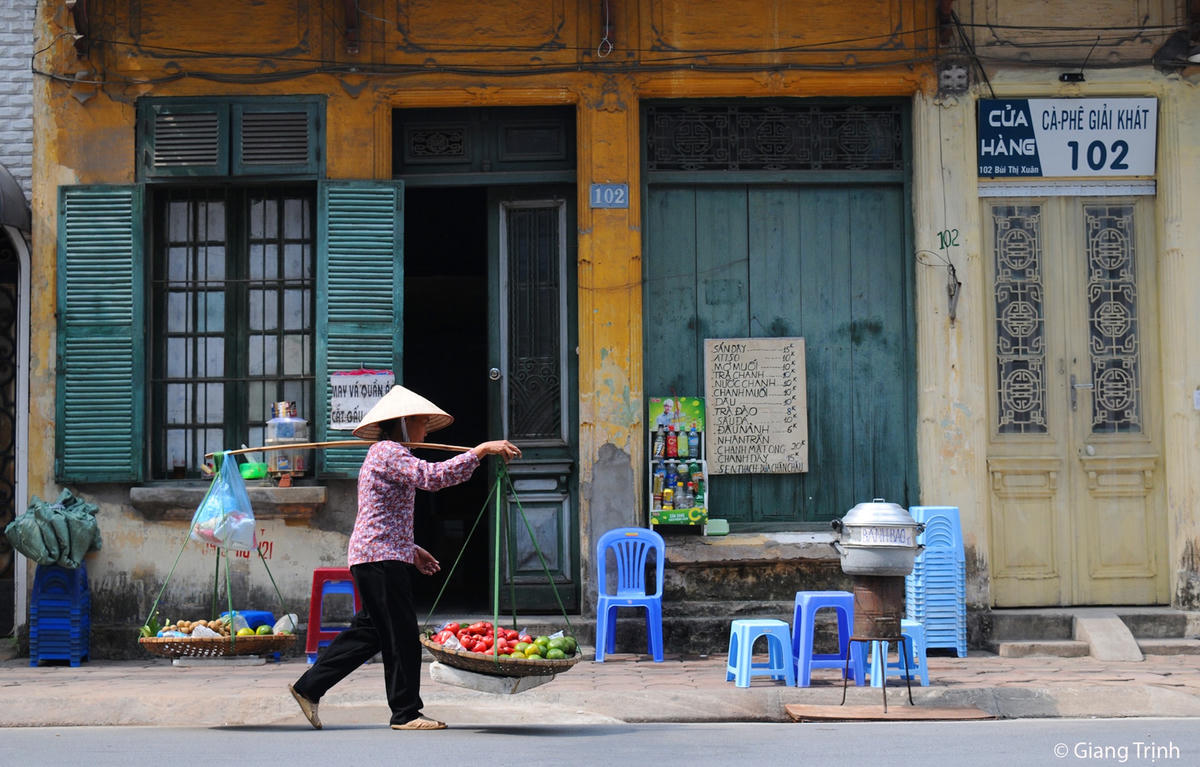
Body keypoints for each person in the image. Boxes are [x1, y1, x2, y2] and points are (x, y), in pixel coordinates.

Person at [289, 385, 520, 731]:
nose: (425, 431)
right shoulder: (388, 451)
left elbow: (384, 514)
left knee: (371, 632)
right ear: (404, 422)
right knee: (400, 635)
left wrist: (411, 550)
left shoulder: (389, 455)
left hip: (379, 554)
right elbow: (433, 478)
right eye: (422, 423)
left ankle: (309, 688)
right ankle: (406, 713)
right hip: (379, 559)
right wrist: (481, 451)